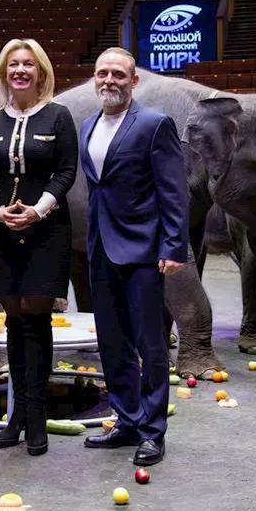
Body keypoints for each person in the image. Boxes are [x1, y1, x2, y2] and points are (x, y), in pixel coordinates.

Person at [79, 47, 187, 467]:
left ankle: (152, 431)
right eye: (102, 73)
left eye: (118, 74)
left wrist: (173, 245)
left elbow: (172, 191)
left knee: (150, 343)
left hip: (143, 250)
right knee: (112, 341)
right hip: (101, 248)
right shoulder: (89, 125)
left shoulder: (154, 124)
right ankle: (125, 420)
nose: (109, 80)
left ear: (134, 80)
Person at [0, 39, 77, 456]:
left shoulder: (59, 116)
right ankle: (17, 414)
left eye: (27, 65)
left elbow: (67, 170)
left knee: (37, 319)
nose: (19, 71)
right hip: (2, 231)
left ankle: (36, 416)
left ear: (41, 72)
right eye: (12, 65)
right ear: (3, 73)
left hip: (46, 231)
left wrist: (38, 210)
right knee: (14, 320)